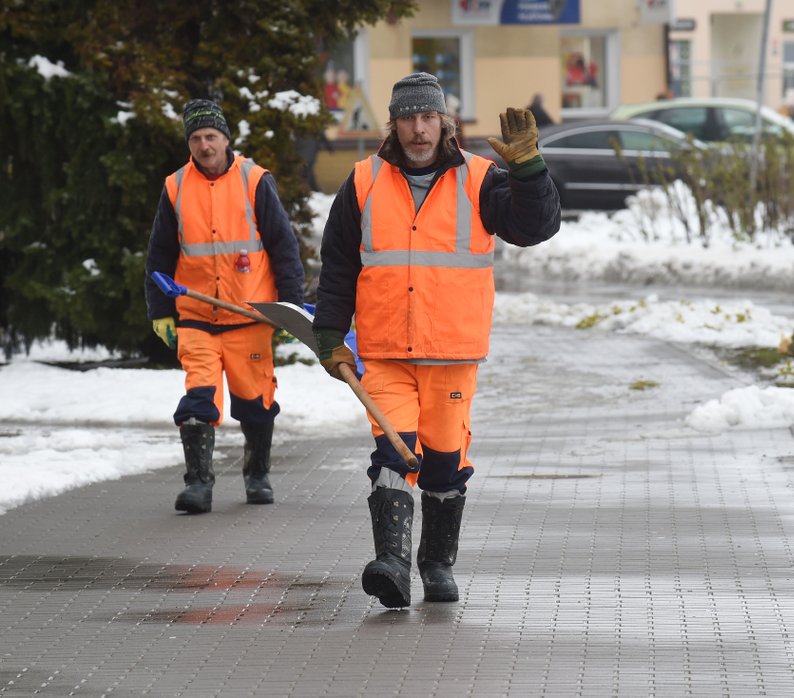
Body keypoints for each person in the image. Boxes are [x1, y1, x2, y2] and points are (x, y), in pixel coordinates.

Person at [312, 72, 560, 608]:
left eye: (428, 118)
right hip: (383, 352)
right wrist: (329, 334)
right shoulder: (363, 181)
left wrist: (528, 168)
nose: (419, 130)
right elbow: (337, 267)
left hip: (452, 351)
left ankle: (436, 563)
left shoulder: (481, 179)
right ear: (394, 123)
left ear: (445, 122)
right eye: (408, 118)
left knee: (444, 464)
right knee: (391, 455)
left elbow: (536, 226)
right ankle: (393, 564)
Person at [144, 99, 305, 515]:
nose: (204, 145)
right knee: (198, 399)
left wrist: (289, 306)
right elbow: (159, 254)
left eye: (210, 136)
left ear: (226, 138)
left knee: (255, 402)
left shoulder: (254, 180)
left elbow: (283, 247)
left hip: (249, 315)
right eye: (195, 138)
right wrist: (160, 309)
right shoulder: (176, 186)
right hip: (197, 316)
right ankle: (198, 484)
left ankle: (257, 476)